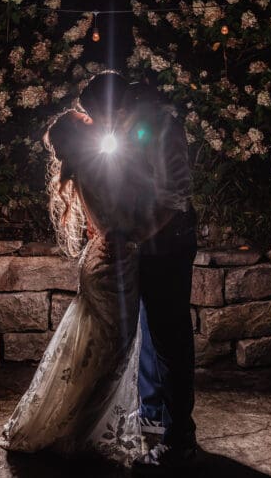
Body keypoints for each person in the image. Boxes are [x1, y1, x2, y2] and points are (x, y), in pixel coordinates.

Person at [0, 108, 157, 465]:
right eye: (86, 121)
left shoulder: (87, 166)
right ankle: (74, 433)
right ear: (81, 134)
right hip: (112, 268)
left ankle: (74, 430)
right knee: (108, 355)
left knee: (95, 352)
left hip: (103, 262)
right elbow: (121, 220)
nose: (95, 121)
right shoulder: (99, 166)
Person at [78, 71, 201, 472]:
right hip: (145, 243)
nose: (101, 124)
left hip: (171, 242)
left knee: (170, 338)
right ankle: (153, 414)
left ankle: (180, 440)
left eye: (99, 115)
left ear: (115, 106)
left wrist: (133, 236)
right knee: (149, 330)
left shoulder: (161, 126)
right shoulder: (126, 127)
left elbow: (175, 197)